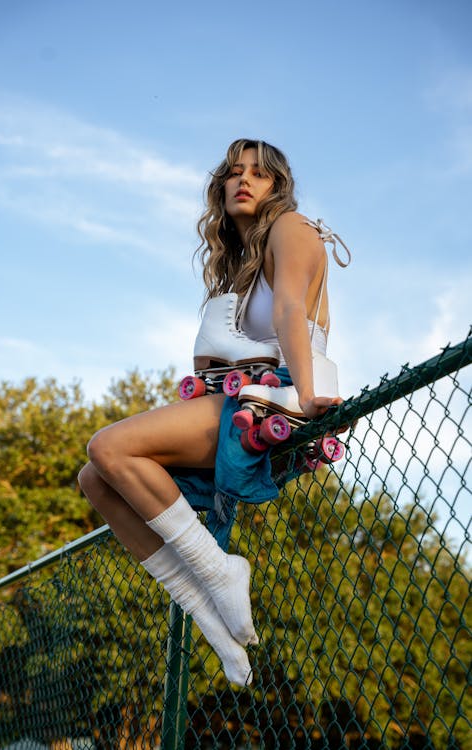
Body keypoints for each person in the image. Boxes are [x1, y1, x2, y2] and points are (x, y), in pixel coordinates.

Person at [78, 139, 348, 687]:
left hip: (277, 394)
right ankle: (208, 616)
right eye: (234, 172)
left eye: (260, 174)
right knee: (96, 479)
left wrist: (312, 390)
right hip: (233, 397)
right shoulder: (238, 268)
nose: (244, 180)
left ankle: (220, 571)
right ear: (220, 187)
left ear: (280, 187)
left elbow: (294, 308)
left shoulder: (291, 228)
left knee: (107, 446)